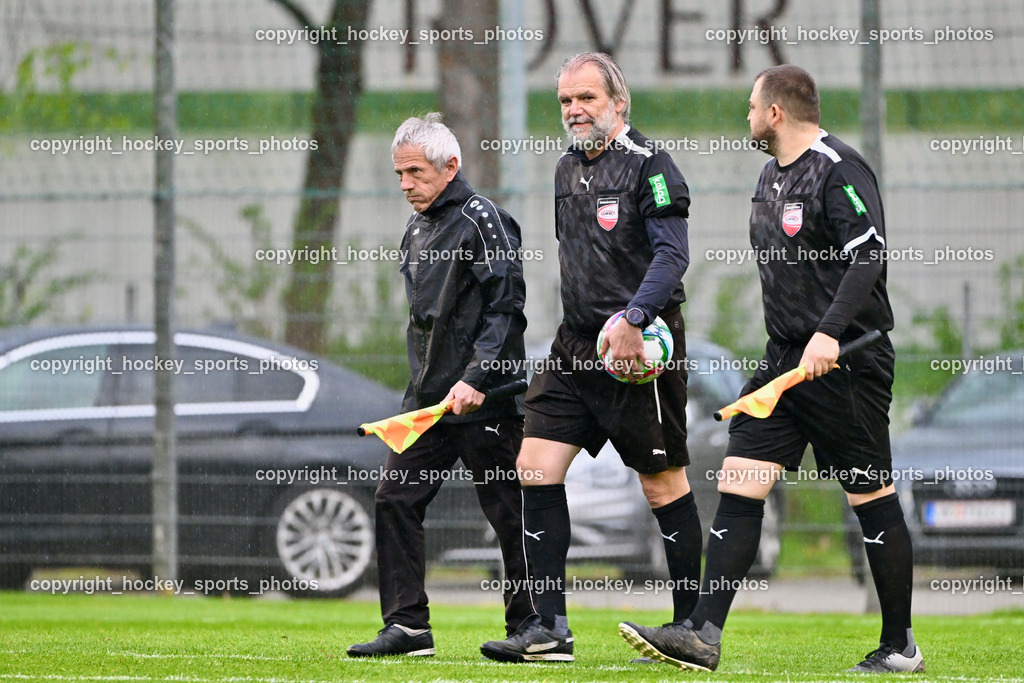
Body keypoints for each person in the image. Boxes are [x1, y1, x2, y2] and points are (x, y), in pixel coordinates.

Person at [619, 65, 923, 674]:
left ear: (776, 112)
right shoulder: (768, 175)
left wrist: (829, 336)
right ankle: (704, 635)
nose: (747, 113)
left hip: (848, 362)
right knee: (740, 478)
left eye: (752, 104)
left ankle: (899, 645)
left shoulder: (839, 169)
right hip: (784, 362)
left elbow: (868, 257)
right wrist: (796, 344)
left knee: (868, 492)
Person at [480, 52, 701, 663]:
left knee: (662, 485)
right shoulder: (563, 170)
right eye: (566, 102)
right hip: (575, 348)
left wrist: (633, 318)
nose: (575, 111)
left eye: (587, 99)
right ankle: (548, 627)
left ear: (619, 104)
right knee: (534, 466)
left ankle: (690, 629)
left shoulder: (652, 167)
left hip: (639, 349)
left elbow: (672, 258)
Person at [347, 113, 534, 658]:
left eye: (414, 172)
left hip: (487, 400)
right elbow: (426, 323)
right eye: (399, 173)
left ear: (450, 166)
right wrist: (421, 393)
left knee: (510, 513)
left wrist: (478, 377)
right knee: (394, 499)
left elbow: (506, 309)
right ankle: (407, 627)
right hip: (430, 404)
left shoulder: (486, 221)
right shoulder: (416, 225)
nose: (405, 183)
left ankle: (532, 628)